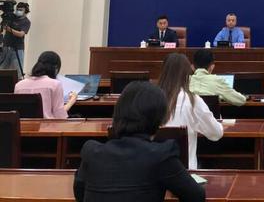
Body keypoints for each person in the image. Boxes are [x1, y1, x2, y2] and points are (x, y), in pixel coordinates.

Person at [73, 81, 205, 202]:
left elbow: (79, 193)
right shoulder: (161, 155)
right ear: (159, 119)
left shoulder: (92, 152)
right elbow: (196, 196)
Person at [158, 53, 223, 170]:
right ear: (187, 74)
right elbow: (216, 133)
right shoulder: (192, 100)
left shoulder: (148, 98)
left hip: (153, 172)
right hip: (185, 173)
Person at [14, 51, 77, 118]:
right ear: (56, 68)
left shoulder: (18, 85)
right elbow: (59, 116)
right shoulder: (55, 84)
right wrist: (71, 101)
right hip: (46, 124)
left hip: (23, 124)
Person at [0, 1, 31, 77]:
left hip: (17, 49)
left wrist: (10, 29)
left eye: (21, 10)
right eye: (17, 9)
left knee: (17, 72)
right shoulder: (12, 18)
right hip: (6, 47)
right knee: (2, 69)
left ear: (25, 12)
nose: (18, 11)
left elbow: (21, 34)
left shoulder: (26, 22)